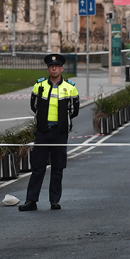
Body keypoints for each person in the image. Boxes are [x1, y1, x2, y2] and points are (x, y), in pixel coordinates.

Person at [19, 53, 79, 212]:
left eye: (57, 66)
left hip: (60, 133)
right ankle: (31, 200)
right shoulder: (39, 86)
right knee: (38, 167)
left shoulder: (70, 87)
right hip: (42, 132)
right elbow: (34, 106)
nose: (54, 68)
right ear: (48, 69)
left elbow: (74, 111)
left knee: (57, 168)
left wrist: (62, 122)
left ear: (61, 68)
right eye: (51, 66)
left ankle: (54, 200)